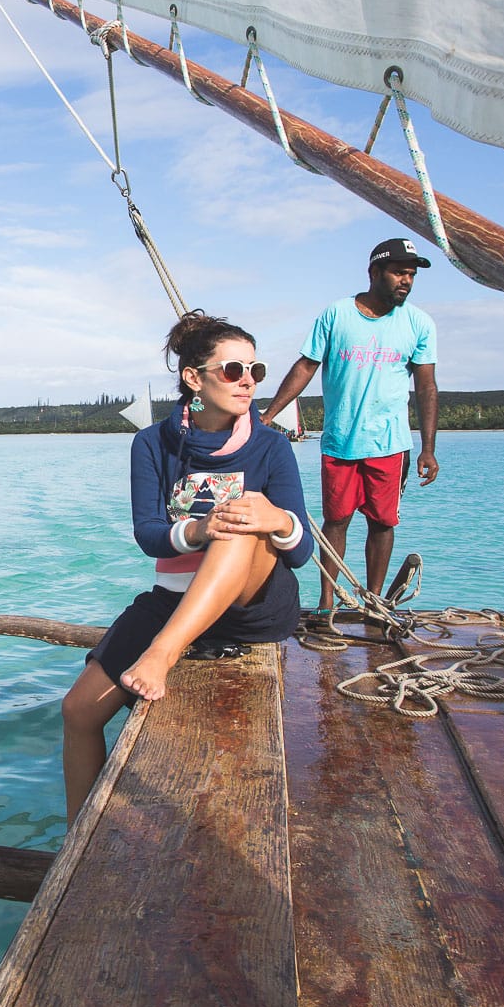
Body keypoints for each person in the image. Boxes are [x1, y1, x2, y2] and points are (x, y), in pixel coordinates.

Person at [59, 311, 316, 822]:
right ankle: (78, 835)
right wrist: (196, 530)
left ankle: (161, 653)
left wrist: (278, 519)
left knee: (245, 518)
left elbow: (303, 551)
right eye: (233, 370)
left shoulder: (271, 445)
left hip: (252, 606)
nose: (248, 381)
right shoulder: (153, 444)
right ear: (193, 378)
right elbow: (148, 534)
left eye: (255, 370)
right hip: (174, 599)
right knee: (78, 711)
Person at [262, 237, 439, 613]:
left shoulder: (418, 323)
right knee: (336, 521)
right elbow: (306, 366)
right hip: (340, 442)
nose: (405, 281)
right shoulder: (337, 315)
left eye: (411, 274)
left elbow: (426, 385)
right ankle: (328, 604)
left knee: (382, 523)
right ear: (374, 272)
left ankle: (373, 602)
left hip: (390, 445)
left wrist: (428, 447)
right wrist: (269, 414)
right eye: (398, 272)